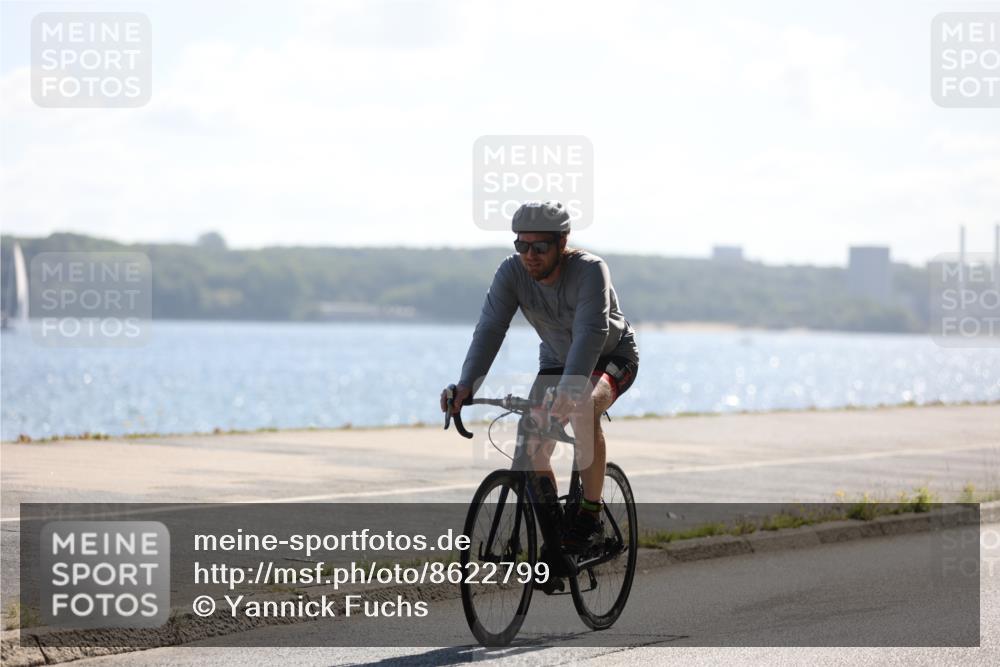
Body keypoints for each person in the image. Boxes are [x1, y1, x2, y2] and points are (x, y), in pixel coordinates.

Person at [440, 200, 639, 555]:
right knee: (531, 440)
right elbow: (489, 329)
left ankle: (590, 517)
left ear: (563, 243)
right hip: (556, 358)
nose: (529, 255)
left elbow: (590, 333)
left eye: (540, 247)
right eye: (521, 245)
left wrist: (570, 390)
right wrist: (467, 384)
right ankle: (557, 534)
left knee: (580, 407)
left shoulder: (591, 270)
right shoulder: (511, 272)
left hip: (610, 355)